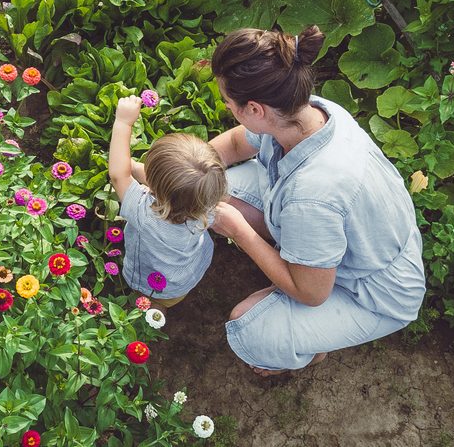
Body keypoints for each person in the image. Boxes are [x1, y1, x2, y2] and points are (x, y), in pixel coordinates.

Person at [208, 26, 426, 375]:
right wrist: (191, 165)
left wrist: (239, 231)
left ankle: (309, 350)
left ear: (254, 109)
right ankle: (299, 264)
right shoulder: (308, 111)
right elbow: (236, 144)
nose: (227, 107)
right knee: (215, 189)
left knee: (251, 330)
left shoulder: (312, 196)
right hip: (354, 238)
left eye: (228, 102)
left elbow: (310, 293)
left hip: (375, 292)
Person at [108, 95, 226, 307]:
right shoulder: (208, 203)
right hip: (186, 276)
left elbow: (118, 175)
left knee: (148, 304)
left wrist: (123, 122)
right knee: (166, 302)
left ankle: (150, 317)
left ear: (154, 187)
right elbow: (173, 189)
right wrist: (134, 167)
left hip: (154, 283)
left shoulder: (145, 214)